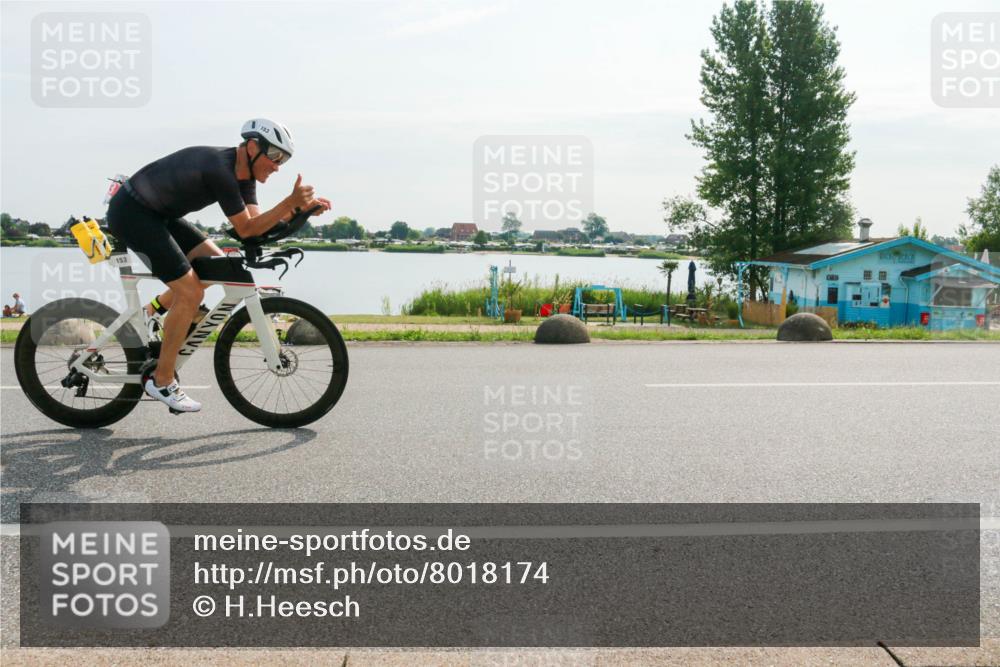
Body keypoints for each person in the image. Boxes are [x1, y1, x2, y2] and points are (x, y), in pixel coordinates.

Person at [105, 118, 331, 413]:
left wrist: (298, 213)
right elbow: (247, 229)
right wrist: (289, 203)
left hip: (160, 215)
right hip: (133, 212)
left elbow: (257, 228)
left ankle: (151, 314)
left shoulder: (244, 177)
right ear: (252, 148)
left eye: (284, 160)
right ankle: (161, 380)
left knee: (215, 266)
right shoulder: (220, 169)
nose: (278, 166)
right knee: (190, 293)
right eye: (275, 157)